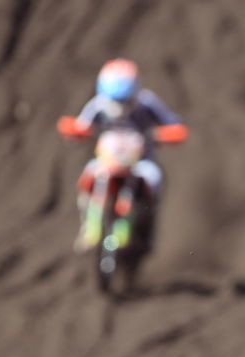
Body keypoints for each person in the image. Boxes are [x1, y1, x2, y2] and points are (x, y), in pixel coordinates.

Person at [62, 59, 186, 252]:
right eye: (114, 100)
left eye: (123, 100)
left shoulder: (147, 103)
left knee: (154, 180)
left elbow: (174, 125)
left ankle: (146, 228)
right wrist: (76, 132)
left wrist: (163, 134)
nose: (118, 106)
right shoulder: (98, 106)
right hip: (107, 161)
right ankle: (89, 228)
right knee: (87, 178)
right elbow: (80, 127)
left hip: (139, 163)